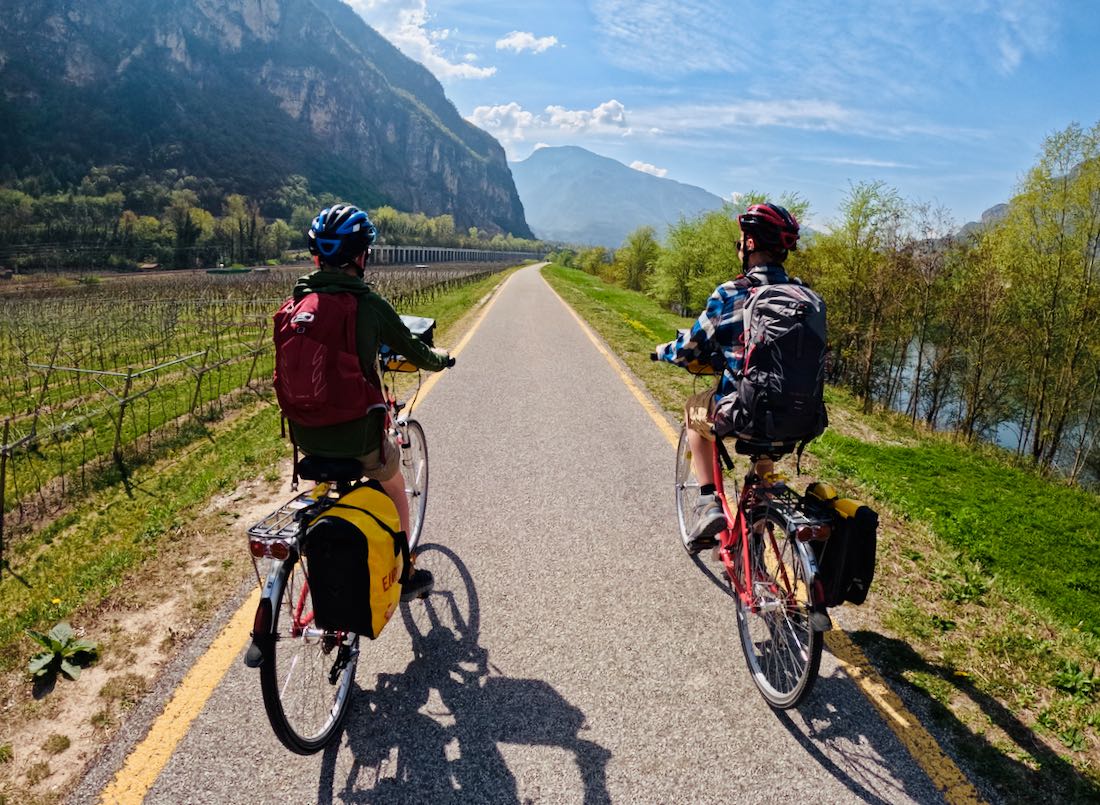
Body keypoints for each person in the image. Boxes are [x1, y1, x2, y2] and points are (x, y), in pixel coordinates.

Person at [279, 203, 453, 599]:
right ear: (361, 256)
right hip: (357, 439)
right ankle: (406, 573)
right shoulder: (369, 304)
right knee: (395, 487)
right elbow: (416, 351)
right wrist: (441, 359)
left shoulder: (296, 306)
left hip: (305, 435)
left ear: (316, 256)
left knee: (330, 485)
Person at [654, 203, 803, 553]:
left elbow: (690, 345)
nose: (739, 247)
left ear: (750, 246)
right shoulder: (803, 295)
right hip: (800, 416)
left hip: (742, 410)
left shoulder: (731, 293)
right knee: (764, 443)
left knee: (695, 411)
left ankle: (708, 503)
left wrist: (664, 351)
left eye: (741, 242)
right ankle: (757, 530)